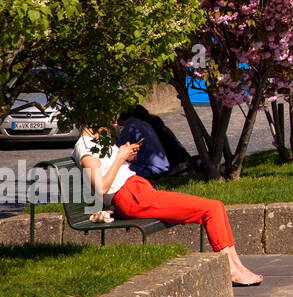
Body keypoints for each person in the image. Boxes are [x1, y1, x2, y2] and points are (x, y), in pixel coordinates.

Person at [74, 126, 263, 286]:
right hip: (133, 197)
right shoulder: (85, 148)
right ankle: (229, 269)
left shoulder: (98, 141)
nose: (115, 120)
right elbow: (101, 187)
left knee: (217, 206)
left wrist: (125, 155)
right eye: (109, 114)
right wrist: (120, 157)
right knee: (211, 209)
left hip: (139, 192)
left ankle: (236, 265)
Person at [115, 109, 175, 180]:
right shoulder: (143, 124)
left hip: (150, 170)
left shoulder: (129, 129)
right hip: (162, 166)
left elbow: (116, 151)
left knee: (118, 168)